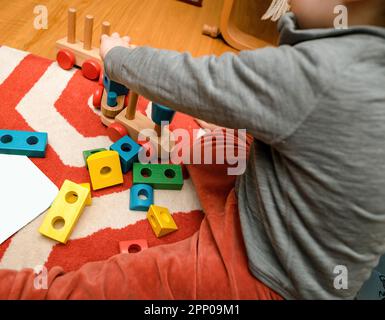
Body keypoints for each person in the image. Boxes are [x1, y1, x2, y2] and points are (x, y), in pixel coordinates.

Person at [1, 0, 384, 299]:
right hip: (303, 225)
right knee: (210, 146)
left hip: (270, 280)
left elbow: (193, 82)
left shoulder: (321, 73)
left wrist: (118, 58)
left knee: (124, 284)